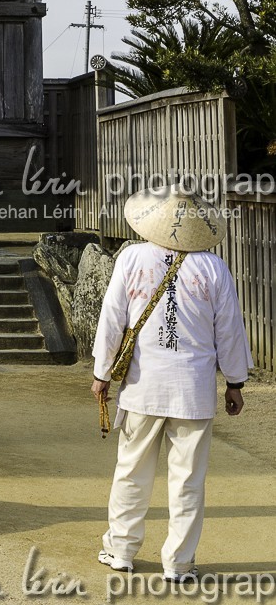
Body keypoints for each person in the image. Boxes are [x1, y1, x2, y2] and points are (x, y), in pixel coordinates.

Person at [92, 185, 252, 582]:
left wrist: (101, 372)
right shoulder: (213, 268)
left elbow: (112, 319)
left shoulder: (131, 258)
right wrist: (235, 382)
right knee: (188, 480)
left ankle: (121, 549)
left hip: (143, 386)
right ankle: (179, 563)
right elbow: (228, 330)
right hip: (193, 390)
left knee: (131, 470)